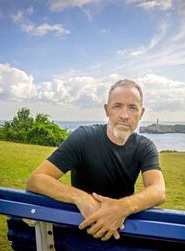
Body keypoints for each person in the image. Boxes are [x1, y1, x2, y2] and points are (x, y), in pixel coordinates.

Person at [26, 79, 166, 241]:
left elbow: (158, 191)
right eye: (117, 106)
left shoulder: (144, 146)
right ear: (107, 110)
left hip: (120, 229)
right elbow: (36, 180)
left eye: (132, 108)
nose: (124, 115)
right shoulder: (84, 137)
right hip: (81, 229)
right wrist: (81, 198)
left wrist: (122, 207)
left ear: (141, 113)